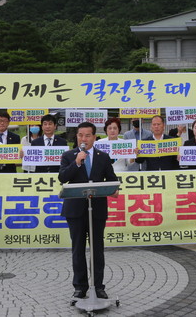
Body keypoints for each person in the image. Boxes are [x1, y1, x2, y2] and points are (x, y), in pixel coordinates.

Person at [59, 121, 118, 300]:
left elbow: (112, 179)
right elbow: (62, 177)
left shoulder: (103, 157)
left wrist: (113, 189)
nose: (83, 139)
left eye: (87, 135)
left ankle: (98, 286)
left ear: (94, 137)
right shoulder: (69, 156)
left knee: (97, 250)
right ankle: (80, 287)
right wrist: (77, 163)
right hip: (75, 210)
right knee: (78, 249)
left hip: (97, 210)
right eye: (80, 135)